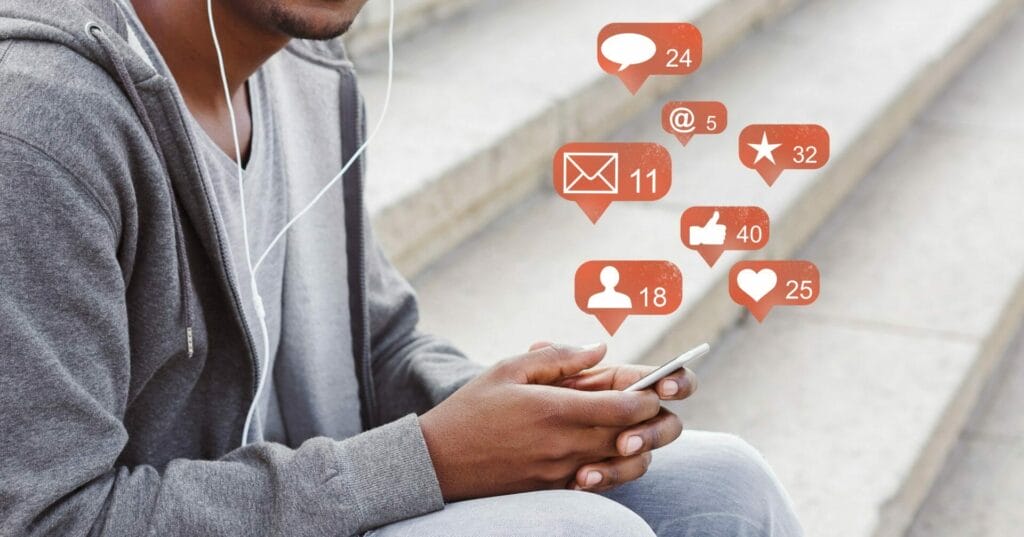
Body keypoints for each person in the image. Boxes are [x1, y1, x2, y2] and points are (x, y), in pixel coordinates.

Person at [0, 0, 803, 535]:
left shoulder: (308, 74)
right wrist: (432, 457)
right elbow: (47, 518)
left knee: (723, 485)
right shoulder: (42, 123)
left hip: (308, 503)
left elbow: (377, 345)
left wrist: (525, 416)